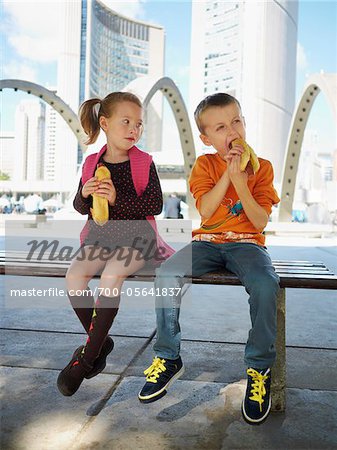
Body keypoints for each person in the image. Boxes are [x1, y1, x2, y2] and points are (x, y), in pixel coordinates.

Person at [139, 93, 280, 425]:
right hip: (207, 242)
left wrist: (242, 181)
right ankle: (168, 356)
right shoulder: (205, 165)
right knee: (167, 273)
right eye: (221, 127)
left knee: (264, 283)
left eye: (236, 121)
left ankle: (259, 368)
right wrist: (227, 176)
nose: (232, 130)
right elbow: (205, 210)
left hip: (248, 244)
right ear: (206, 138)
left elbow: (259, 221)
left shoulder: (264, 168)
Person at [57, 92, 174, 396]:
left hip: (137, 241)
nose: (134, 129)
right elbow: (81, 207)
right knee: (74, 277)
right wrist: (85, 193)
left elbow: (154, 204)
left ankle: (85, 361)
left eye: (139, 124)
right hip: (101, 240)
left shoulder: (144, 162)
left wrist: (116, 198)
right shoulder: (92, 162)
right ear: (105, 124)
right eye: (126, 122)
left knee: (111, 275)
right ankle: (101, 343)